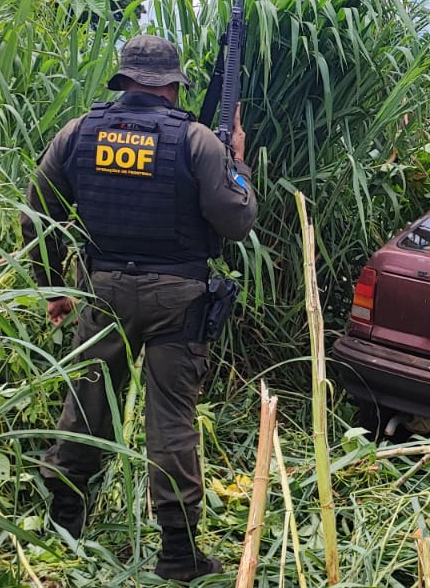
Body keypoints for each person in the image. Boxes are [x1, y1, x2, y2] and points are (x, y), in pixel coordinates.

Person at [21, 35, 257, 581]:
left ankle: (64, 521)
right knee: (171, 419)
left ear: (122, 80)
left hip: (100, 290)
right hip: (178, 297)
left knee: (87, 400)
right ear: (174, 86)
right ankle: (177, 552)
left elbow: (36, 214)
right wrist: (237, 160)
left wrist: (54, 288)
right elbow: (237, 221)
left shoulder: (79, 132)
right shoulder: (197, 140)